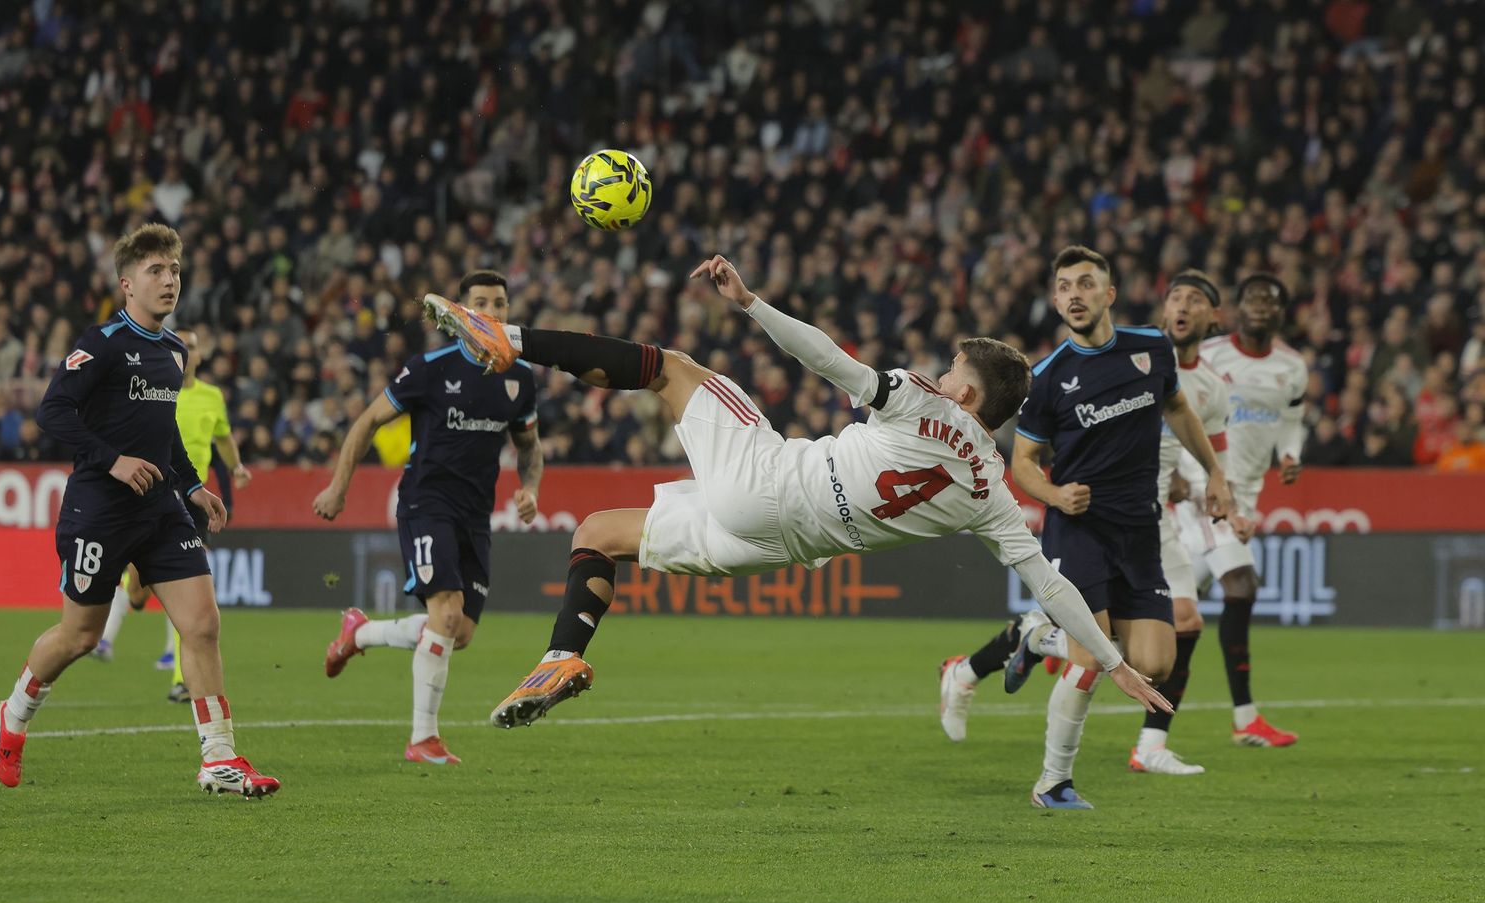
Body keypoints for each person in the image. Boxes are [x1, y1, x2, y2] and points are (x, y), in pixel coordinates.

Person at [428, 253, 1173, 756]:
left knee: (674, 370)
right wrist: (1112, 663)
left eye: (952, 370)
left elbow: (828, 359)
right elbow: (1049, 584)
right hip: (772, 546)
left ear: (967, 393)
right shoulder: (993, 495)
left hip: (768, 480)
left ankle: (507, 338)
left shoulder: (921, 404)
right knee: (599, 533)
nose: (941, 374)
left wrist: (751, 304)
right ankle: (561, 658)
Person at [0, 224, 279, 797]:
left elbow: (164, 429)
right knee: (78, 635)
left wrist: (193, 485)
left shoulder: (173, 352)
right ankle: (13, 715)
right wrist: (112, 460)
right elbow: (52, 412)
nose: (169, 280)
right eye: (156, 271)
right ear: (127, 283)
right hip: (99, 509)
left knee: (202, 624)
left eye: (174, 270)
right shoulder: (99, 344)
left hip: (161, 509)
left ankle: (219, 758)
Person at [937, 247, 1231, 809]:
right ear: (1055, 301)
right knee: (1091, 658)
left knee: (1156, 663)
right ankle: (1053, 783)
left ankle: (1032, 634)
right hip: (1080, 530)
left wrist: (1215, 473)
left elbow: (1177, 409)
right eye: (1064, 286)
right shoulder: (1046, 378)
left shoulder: (1151, 348)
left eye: (1086, 284)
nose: (1074, 294)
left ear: (1108, 294)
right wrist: (1054, 494)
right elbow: (1022, 462)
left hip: (1141, 529)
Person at [312, 270, 543, 766]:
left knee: (457, 633)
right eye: (480, 302)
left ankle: (360, 633)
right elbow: (367, 421)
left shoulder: (520, 377)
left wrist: (530, 488)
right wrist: (338, 486)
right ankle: (423, 738)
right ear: (459, 313)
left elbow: (529, 448)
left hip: (476, 516)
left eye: (500, 303)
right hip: (426, 502)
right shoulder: (430, 369)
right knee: (446, 612)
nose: (492, 311)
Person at [1172, 273, 1307, 747]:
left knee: (1161, 624)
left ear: (1280, 312)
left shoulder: (1292, 367)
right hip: (1200, 494)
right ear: (1237, 308)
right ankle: (1245, 718)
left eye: (1269, 300)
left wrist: (1290, 455)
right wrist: (1182, 473)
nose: (1260, 306)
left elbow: (1292, 423)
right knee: (1242, 583)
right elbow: (1180, 412)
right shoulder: (1209, 356)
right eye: (1251, 298)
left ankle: (1015, 648)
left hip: (1241, 496)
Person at [92, 329, 252, 705]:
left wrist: (238, 466)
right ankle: (118, 618)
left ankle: (182, 679)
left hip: (191, 499)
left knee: (192, 587)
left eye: (194, 346)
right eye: (183, 346)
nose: (188, 353)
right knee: (137, 586)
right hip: (151, 492)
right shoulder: (154, 389)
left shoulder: (212, 397)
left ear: (199, 353)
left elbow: (224, 438)